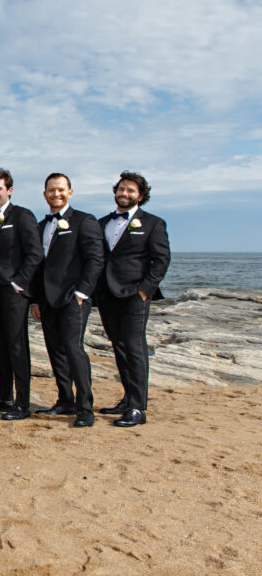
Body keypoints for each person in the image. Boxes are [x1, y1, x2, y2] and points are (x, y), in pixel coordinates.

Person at [95, 171, 170, 427]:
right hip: (107, 295)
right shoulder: (102, 221)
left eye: (131, 191)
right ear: (115, 191)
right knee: (119, 346)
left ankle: (138, 407)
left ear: (141, 196)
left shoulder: (153, 223)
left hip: (135, 295)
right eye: (121, 189)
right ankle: (128, 398)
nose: (124, 194)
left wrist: (144, 291)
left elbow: (161, 260)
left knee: (135, 347)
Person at [30, 173, 104, 427]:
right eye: (51, 190)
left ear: (70, 192)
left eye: (61, 190)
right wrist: (36, 300)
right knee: (56, 352)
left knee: (74, 350)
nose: (56, 194)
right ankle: (65, 400)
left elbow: (96, 259)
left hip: (74, 299)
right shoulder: (40, 227)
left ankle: (85, 407)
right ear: (45, 194)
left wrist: (82, 293)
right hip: (47, 300)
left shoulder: (84, 221)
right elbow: (38, 267)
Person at [0, 169, 43, 421]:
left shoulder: (22, 216)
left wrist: (19, 283)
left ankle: (22, 402)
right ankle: (3, 395)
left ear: (9, 190)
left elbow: (35, 253)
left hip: (14, 293)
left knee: (17, 346)